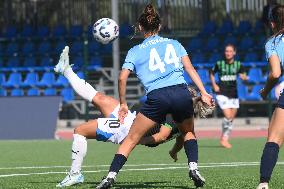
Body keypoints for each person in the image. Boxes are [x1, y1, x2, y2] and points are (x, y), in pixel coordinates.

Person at [96, 4, 213, 189]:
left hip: (158, 97)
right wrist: (204, 92)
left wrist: (124, 104)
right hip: (182, 93)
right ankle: (193, 168)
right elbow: (190, 68)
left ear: (141, 27)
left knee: (131, 139)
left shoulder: (135, 51)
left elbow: (121, 77)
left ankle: (110, 177)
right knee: (188, 132)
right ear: (159, 27)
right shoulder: (175, 44)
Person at [54, 46, 184, 187]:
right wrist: (174, 152)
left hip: (127, 129)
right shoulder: (186, 122)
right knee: (99, 98)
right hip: (131, 118)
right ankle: (66, 71)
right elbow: (181, 138)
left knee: (80, 131)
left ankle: (75, 174)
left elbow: (162, 136)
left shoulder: (176, 116)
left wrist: (134, 140)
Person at [257, 5, 284, 189]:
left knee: (273, 139)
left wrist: (265, 91)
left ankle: (264, 183)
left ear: (272, 23)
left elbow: (275, 73)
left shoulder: (273, 42)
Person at [209, 44, 248, 149]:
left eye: (230, 51)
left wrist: (244, 77)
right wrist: (214, 85)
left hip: (234, 94)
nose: (228, 53)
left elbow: (245, 76)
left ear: (234, 52)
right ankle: (224, 139)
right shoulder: (219, 63)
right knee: (228, 116)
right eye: (226, 51)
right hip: (222, 93)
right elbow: (211, 73)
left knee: (231, 119)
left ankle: (224, 137)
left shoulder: (239, 64)